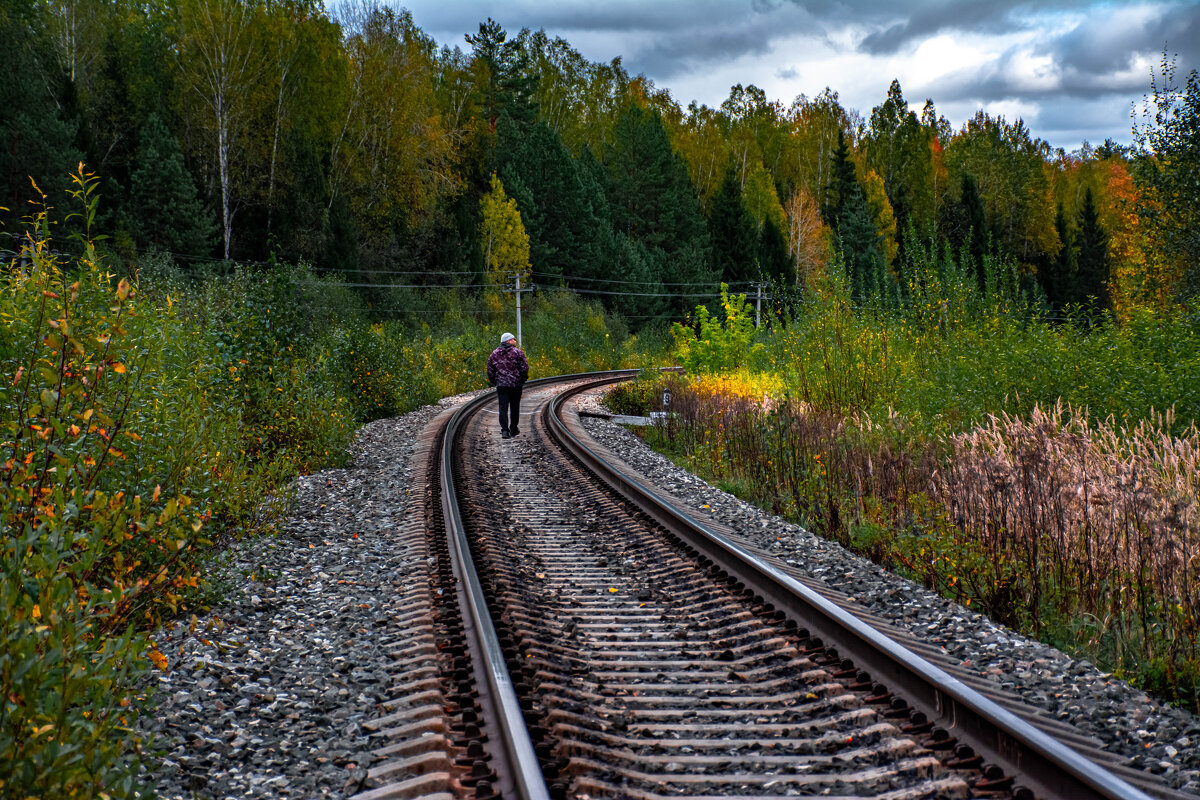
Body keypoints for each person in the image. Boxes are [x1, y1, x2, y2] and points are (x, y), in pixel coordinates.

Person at [486, 332, 529, 439]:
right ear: (508, 341)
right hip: (515, 385)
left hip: (501, 386)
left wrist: (496, 382)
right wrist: (522, 380)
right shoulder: (518, 352)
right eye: (513, 339)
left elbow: (490, 370)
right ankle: (513, 429)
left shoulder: (494, 354)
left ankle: (505, 431)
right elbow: (524, 368)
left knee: (503, 408)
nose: (515, 341)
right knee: (515, 408)